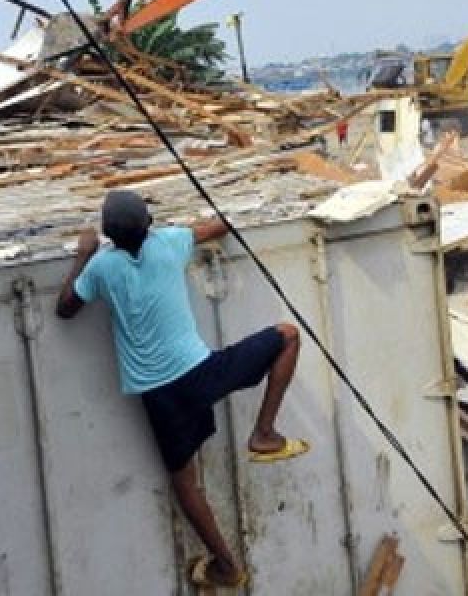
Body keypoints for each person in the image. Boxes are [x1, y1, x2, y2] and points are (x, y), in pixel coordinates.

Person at [55, 191, 307, 589]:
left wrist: (84, 253)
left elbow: (65, 309)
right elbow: (217, 226)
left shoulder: (102, 267)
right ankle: (263, 433)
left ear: (109, 234)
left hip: (158, 394)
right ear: (148, 225)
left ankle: (225, 565)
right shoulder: (169, 243)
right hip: (200, 372)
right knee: (288, 336)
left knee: (184, 482)